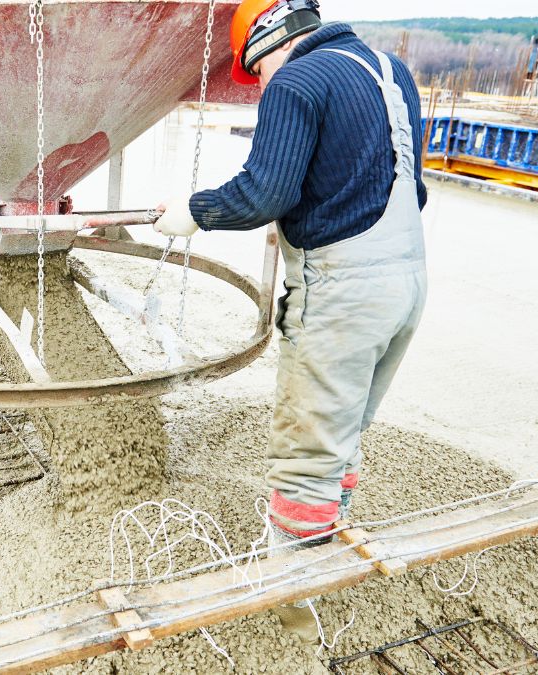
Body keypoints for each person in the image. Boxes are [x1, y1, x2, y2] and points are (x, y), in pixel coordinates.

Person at [153, 0, 428, 548]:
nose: (259, 87)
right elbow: (403, 185)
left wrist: (195, 211)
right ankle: (331, 540)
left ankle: (294, 605)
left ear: (265, 42)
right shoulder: (391, 69)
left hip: (341, 297)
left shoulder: (296, 80)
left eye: (254, 73)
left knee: (306, 457)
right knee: (342, 433)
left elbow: (265, 192)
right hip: (406, 285)